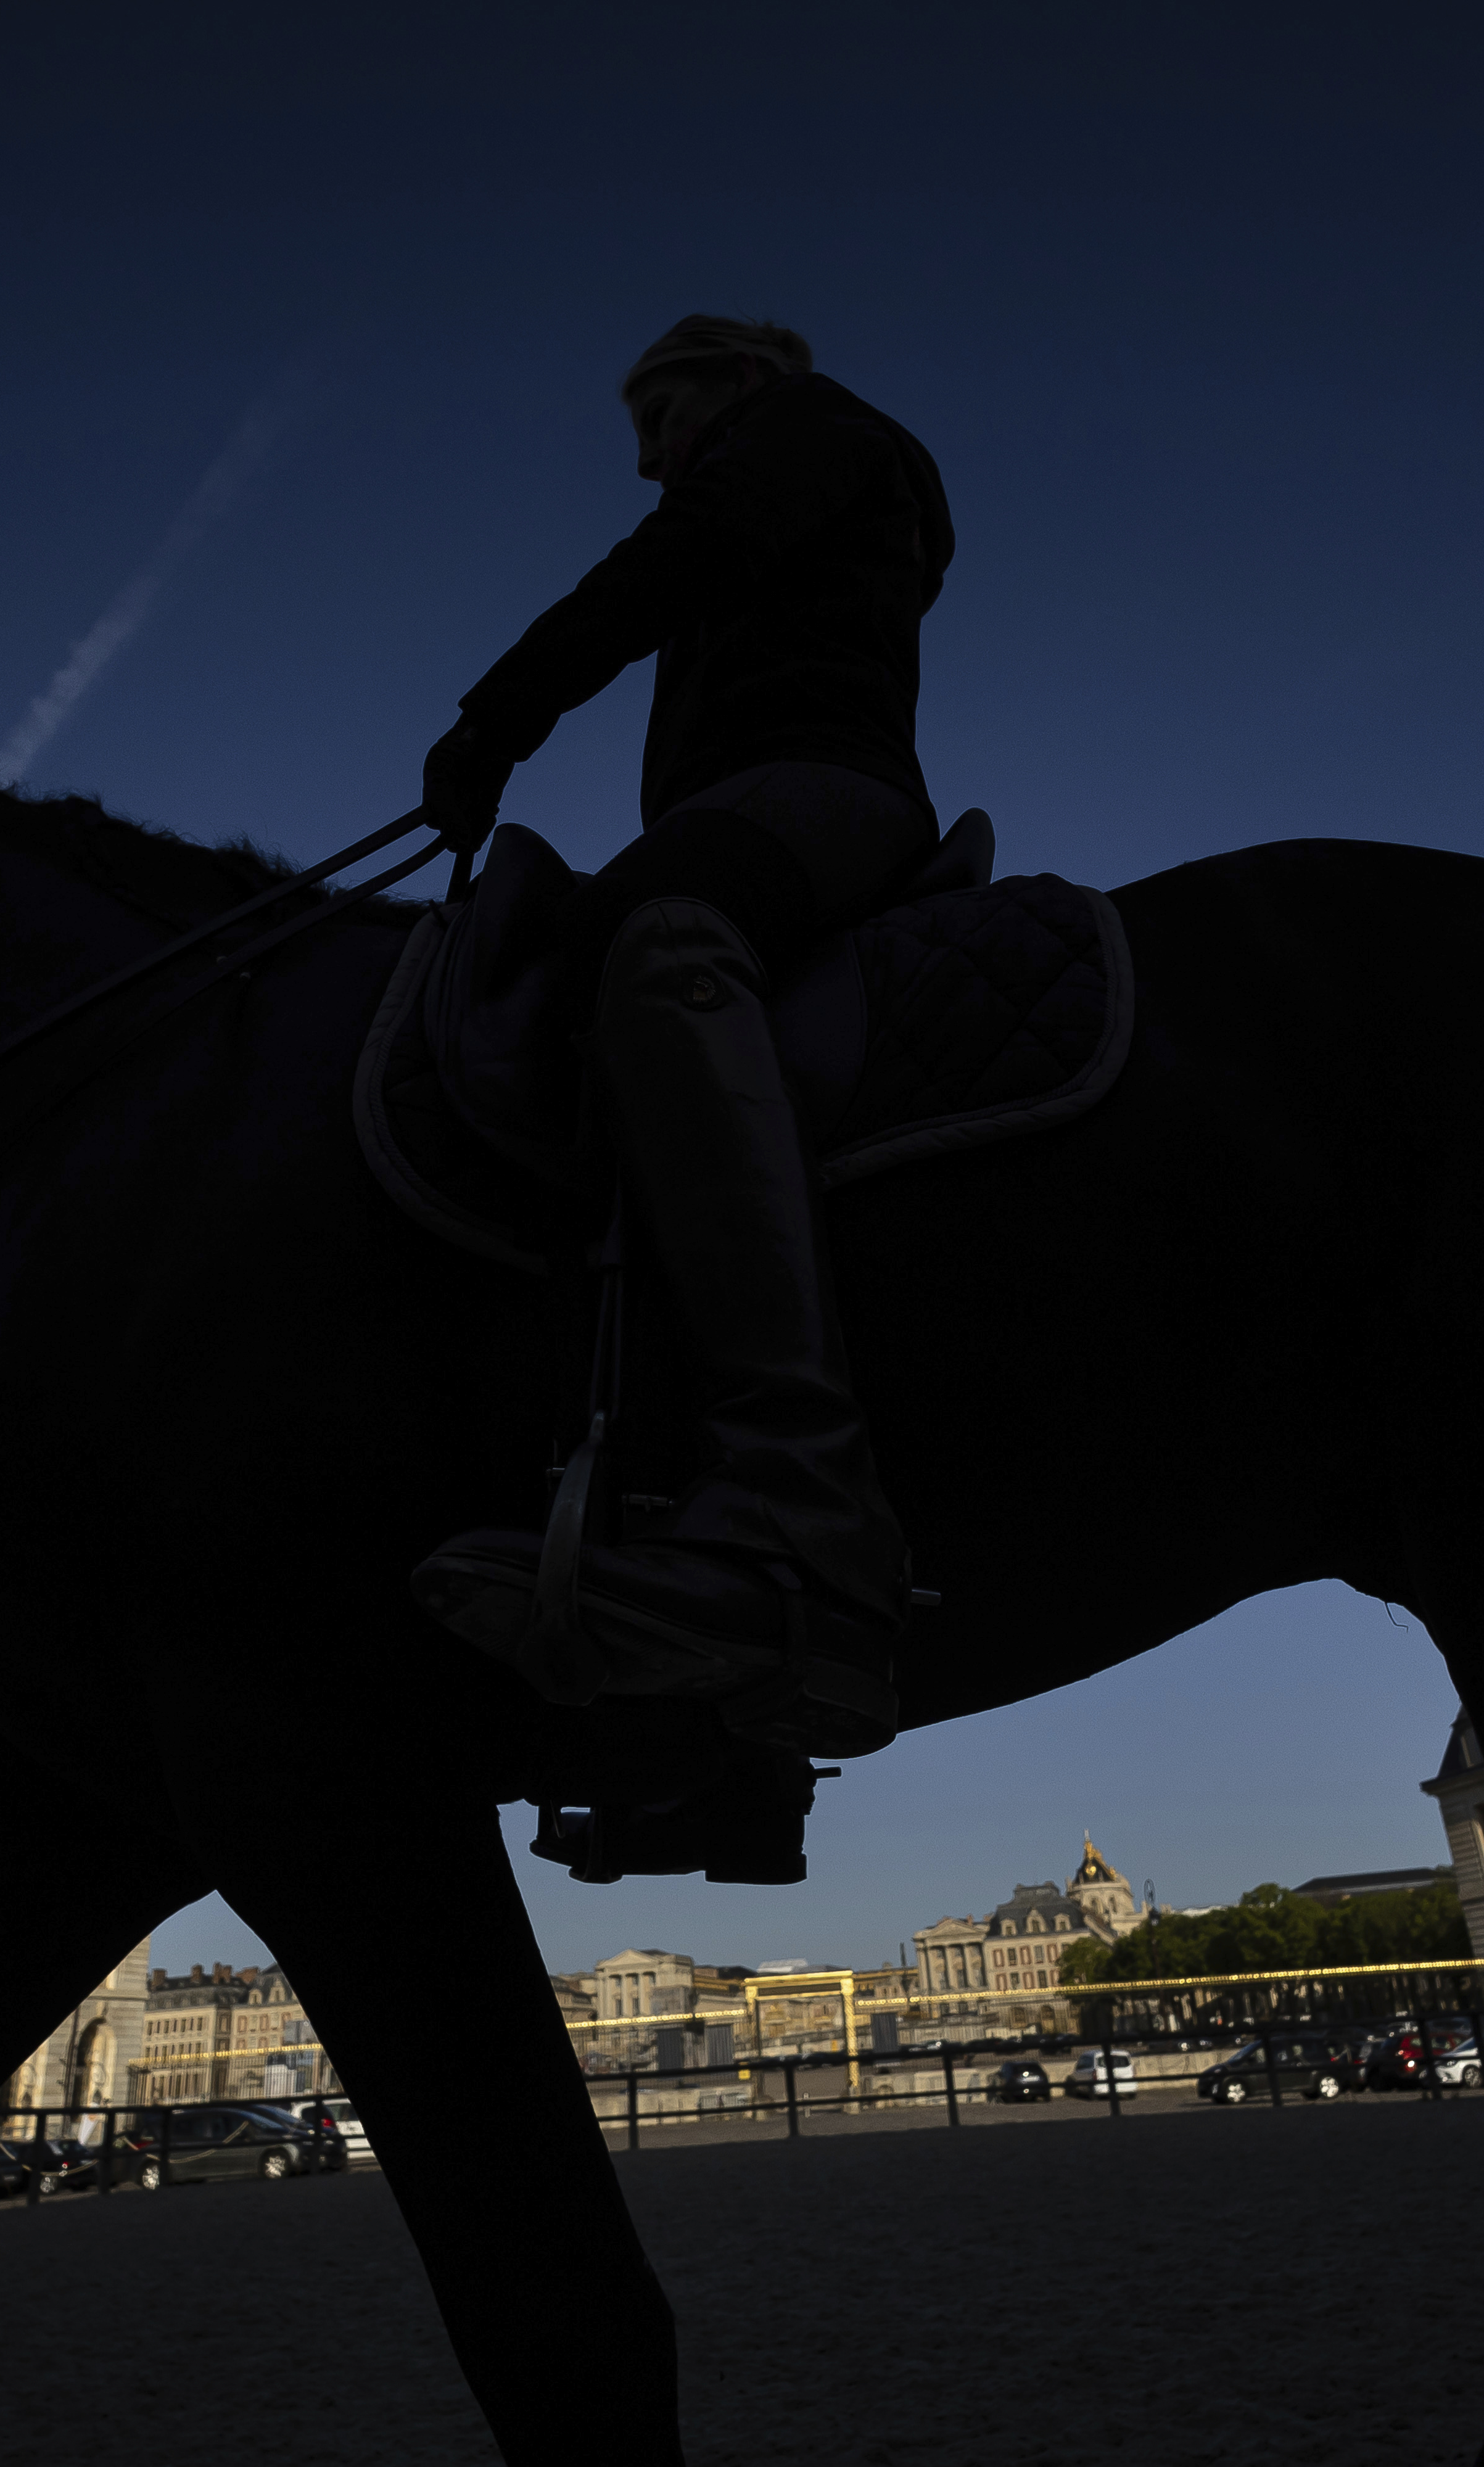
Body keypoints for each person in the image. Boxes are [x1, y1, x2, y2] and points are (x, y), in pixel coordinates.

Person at [406, 313, 955, 1757]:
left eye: (663, 417)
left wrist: (497, 717)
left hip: (823, 791)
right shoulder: (800, 468)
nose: (650, 462)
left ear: (748, 381)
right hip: (763, 798)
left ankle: (797, 1479)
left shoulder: (819, 435)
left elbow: (672, 561)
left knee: (660, 949)